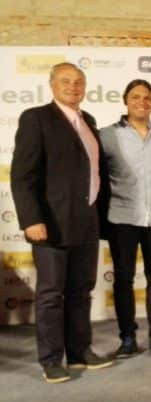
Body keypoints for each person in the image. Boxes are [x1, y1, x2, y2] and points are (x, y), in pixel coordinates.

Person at [11, 62, 113, 383]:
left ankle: (80, 351)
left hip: (86, 222)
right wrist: (31, 219)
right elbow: (22, 176)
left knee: (81, 291)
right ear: (52, 84)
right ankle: (52, 359)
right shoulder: (36, 118)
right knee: (51, 295)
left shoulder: (89, 121)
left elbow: (95, 173)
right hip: (51, 224)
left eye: (79, 81)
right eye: (66, 81)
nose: (73, 86)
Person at [100, 79, 151, 358]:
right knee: (123, 278)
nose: (141, 102)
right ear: (125, 100)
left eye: (147, 97)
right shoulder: (107, 135)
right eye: (135, 97)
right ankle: (127, 338)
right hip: (122, 217)